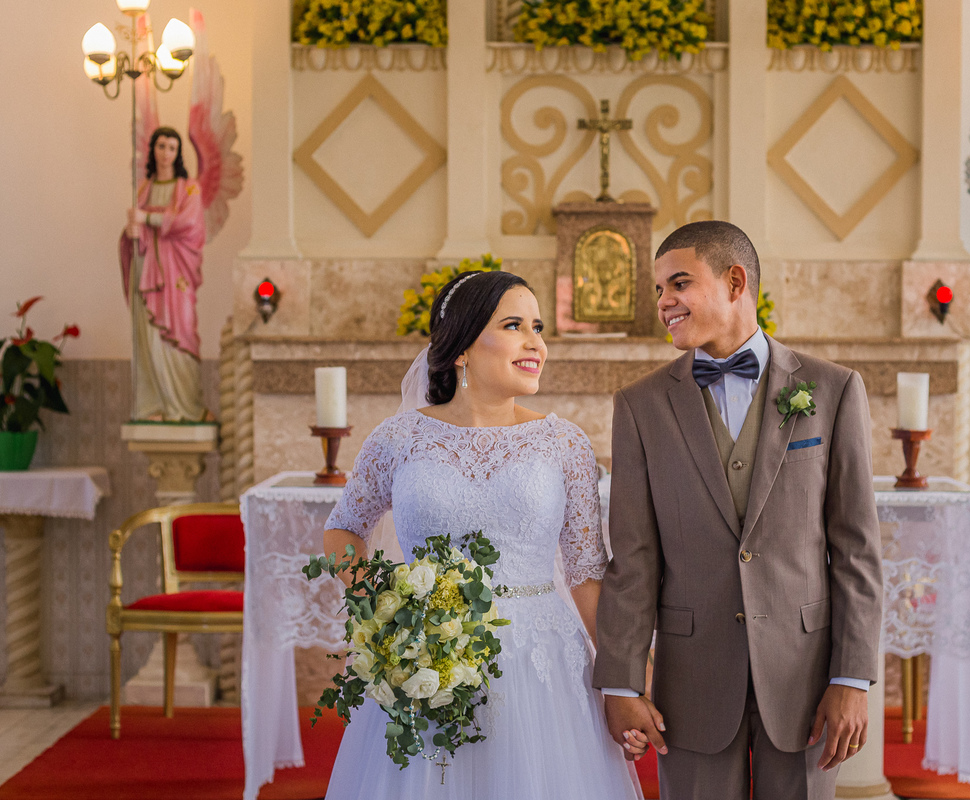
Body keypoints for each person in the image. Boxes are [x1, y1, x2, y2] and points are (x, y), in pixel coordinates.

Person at [322, 270, 643, 799]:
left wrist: (625, 679)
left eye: (537, 328)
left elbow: (587, 573)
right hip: (427, 660)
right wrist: (387, 616)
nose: (535, 343)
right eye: (513, 325)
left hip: (542, 665)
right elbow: (343, 529)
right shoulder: (398, 438)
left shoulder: (564, 443)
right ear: (462, 347)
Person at [593, 220, 884, 800]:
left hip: (804, 678)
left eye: (679, 283)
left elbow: (856, 550)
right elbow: (633, 559)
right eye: (658, 290)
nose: (664, 302)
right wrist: (621, 683)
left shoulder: (833, 390)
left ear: (734, 281)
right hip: (692, 681)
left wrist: (852, 677)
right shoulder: (640, 406)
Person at [118, 126, 208, 422]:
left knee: (180, 330)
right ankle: (152, 406)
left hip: (176, 274)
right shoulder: (143, 188)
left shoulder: (189, 188)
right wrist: (132, 233)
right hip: (147, 272)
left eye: (172, 147)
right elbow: (137, 234)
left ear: (178, 153)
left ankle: (185, 407)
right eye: (161, 146)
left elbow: (190, 224)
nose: (166, 153)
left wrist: (148, 218)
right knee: (148, 335)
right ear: (153, 150)